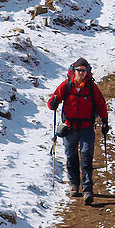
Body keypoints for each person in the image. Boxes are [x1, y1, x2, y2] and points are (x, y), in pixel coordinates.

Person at [47, 57, 109, 205]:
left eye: (84, 71)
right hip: (69, 128)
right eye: (79, 70)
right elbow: (52, 102)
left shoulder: (92, 87)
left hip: (87, 127)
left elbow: (101, 104)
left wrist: (105, 121)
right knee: (71, 157)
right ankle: (74, 185)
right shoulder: (67, 85)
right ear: (74, 71)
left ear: (87, 72)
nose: (81, 73)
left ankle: (88, 190)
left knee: (86, 157)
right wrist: (53, 103)